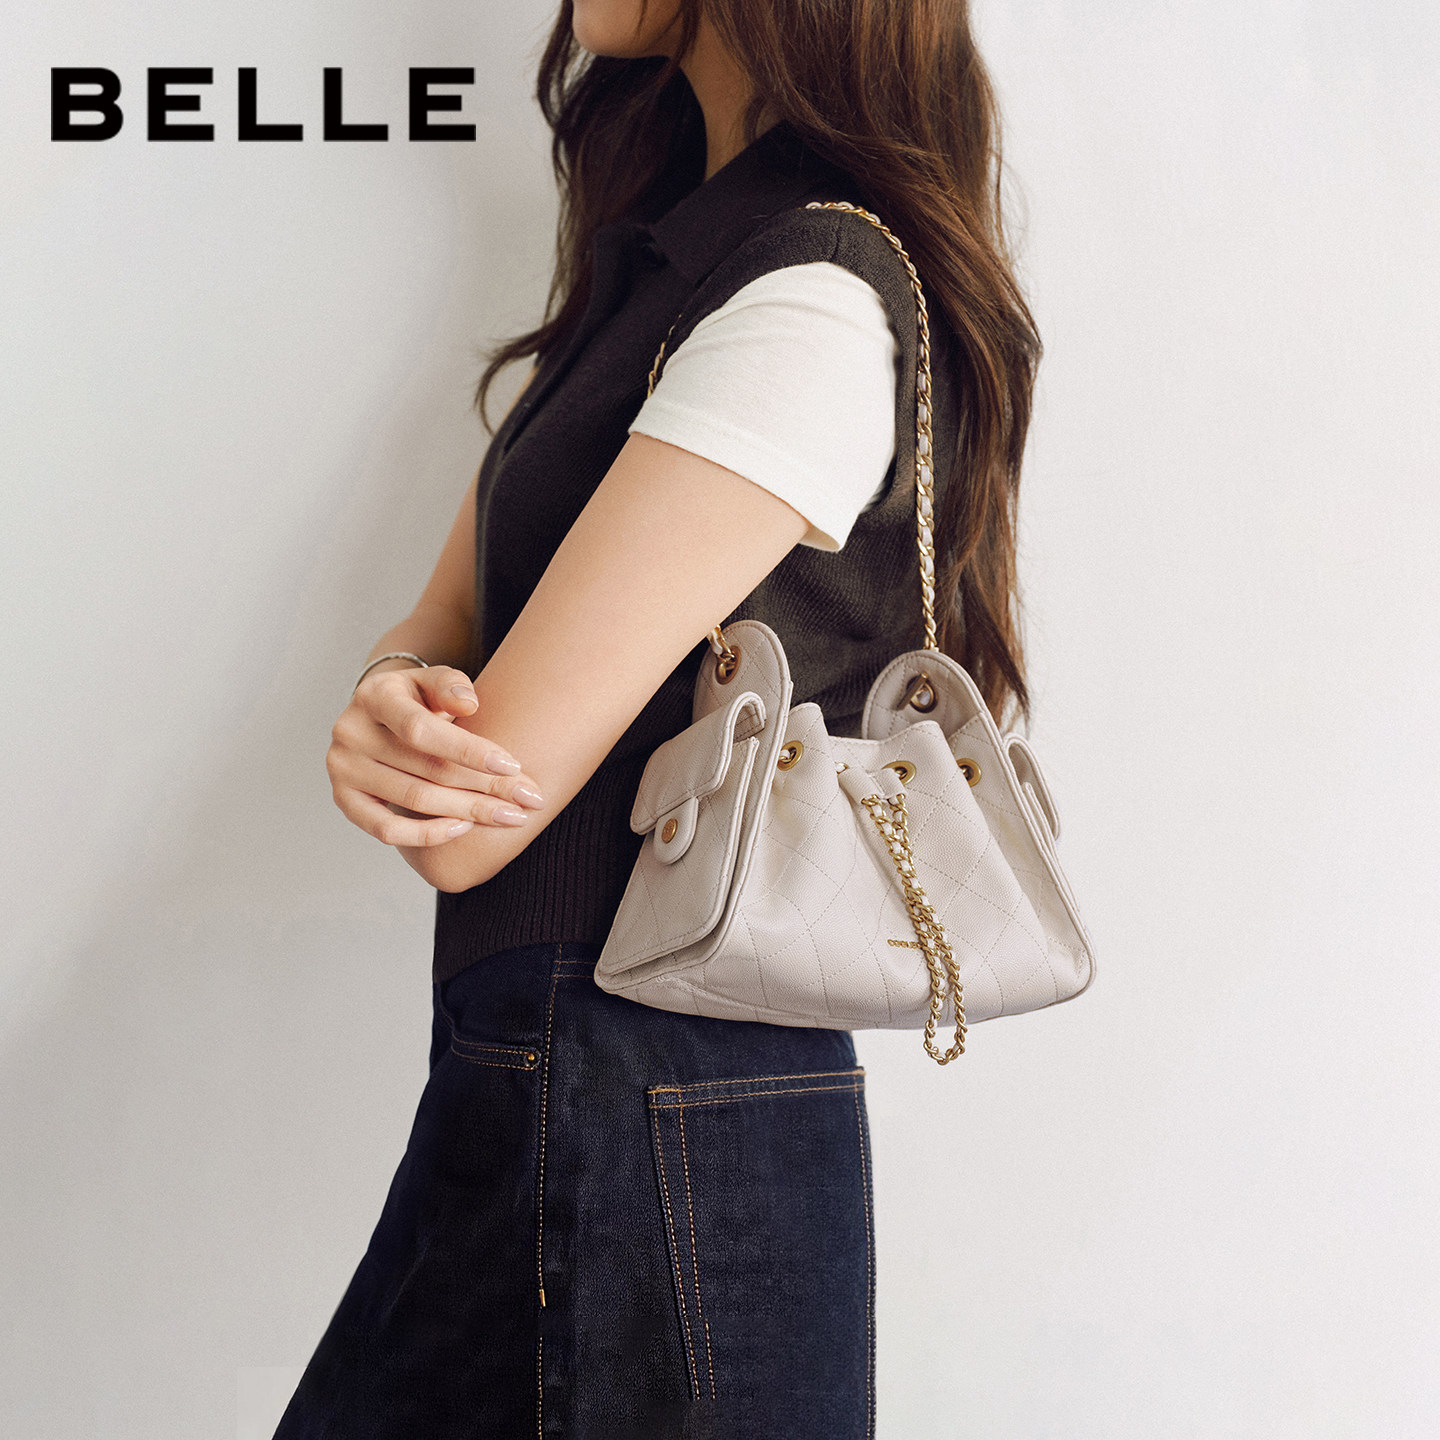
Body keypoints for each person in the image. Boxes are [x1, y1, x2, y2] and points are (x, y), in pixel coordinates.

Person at [274, 1, 1039, 1435]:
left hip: (642, 1098)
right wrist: (389, 694)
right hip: (592, 1091)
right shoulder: (662, 277)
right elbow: (445, 623)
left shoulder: (807, 299)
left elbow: (475, 818)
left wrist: (426, 755)